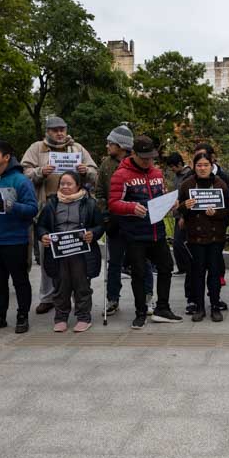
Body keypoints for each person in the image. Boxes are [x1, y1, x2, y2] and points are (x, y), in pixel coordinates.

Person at [21, 116, 98, 315]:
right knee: (49, 255)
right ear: (47, 131)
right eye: (55, 130)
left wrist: (86, 171)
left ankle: (77, 298)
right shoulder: (37, 148)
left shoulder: (77, 148)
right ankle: (48, 297)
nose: (59, 133)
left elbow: (94, 173)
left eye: (62, 129)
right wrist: (40, 172)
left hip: (77, 210)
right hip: (48, 209)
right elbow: (24, 173)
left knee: (76, 257)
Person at [109, 135, 183, 329]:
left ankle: (162, 308)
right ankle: (140, 312)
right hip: (135, 234)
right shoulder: (121, 174)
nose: (148, 161)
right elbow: (114, 203)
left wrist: (171, 203)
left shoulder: (157, 173)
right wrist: (131, 207)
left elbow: (161, 196)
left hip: (157, 231)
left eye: (151, 157)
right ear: (133, 154)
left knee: (166, 266)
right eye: (144, 158)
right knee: (139, 274)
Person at [0, 141, 39, 334]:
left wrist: (12, 206)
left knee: (20, 281)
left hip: (14, 240)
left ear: (6, 157)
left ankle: (22, 316)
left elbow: (32, 209)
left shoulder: (20, 181)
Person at [37, 171, 104, 332]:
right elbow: (40, 225)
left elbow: (100, 225)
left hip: (81, 253)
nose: (65, 187)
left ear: (78, 186)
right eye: (62, 184)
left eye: (69, 184)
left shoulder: (89, 203)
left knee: (82, 285)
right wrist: (43, 236)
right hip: (58, 253)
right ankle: (60, 317)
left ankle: (83, 317)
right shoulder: (51, 204)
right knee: (60, 286)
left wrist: (92, 234)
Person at [177, 152, 229, 322]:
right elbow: (179, 210)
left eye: (206, 165)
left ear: (211, 165)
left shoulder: (220, 185)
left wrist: (216, 213)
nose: (202, 168)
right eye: (199, 165)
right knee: (197, 273)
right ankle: (199, 306)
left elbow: (228, 212)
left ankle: (215, 305)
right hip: (195, 237)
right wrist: (185, 205)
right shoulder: (186, 185)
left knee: (214, 273)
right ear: (194, 166)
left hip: (215, 237)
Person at [95, 124, 137, 317]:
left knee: (141, 261)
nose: (107, 146)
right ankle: (113, 299)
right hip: (114, 220)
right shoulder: (106, 165)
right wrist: (105, 214)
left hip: (136, 220)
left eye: (110, 143)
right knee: (114, 262)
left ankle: (146, 296)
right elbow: (100, 192)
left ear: (120, 145)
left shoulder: (137, 162)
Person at [166, 152, 193, 277]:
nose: (172, 169)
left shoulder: (189, 175)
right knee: (177, 242)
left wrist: (183, 216)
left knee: (180, 242)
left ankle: (188, 266)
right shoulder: (177, 176)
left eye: (173, 166)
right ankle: (182, 267)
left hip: (185, 214)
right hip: (177, 212)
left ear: (180, 164)